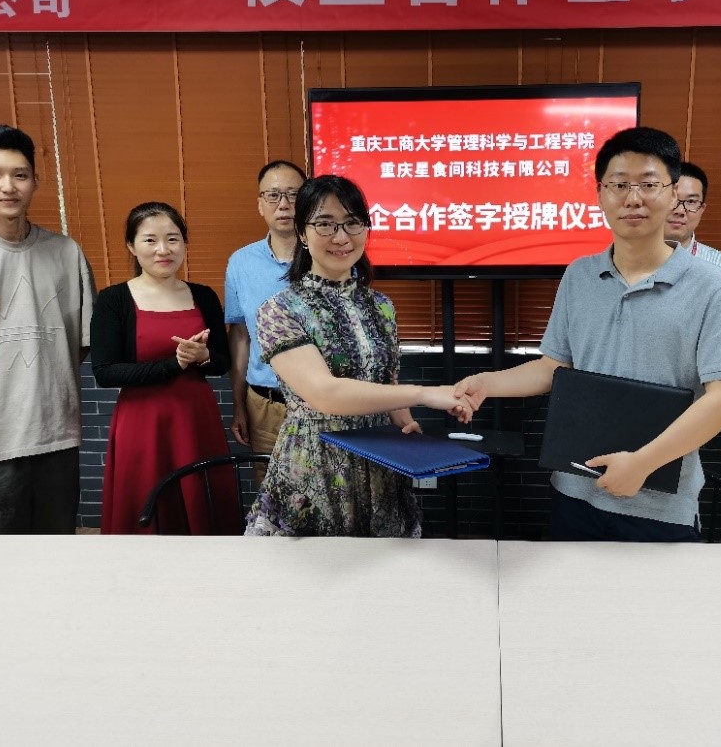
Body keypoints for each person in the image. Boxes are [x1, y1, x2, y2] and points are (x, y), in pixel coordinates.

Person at [453, 127, 721, 542]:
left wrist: (643, 463)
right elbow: (554, 367)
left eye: (649, 184)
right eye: (619, 184)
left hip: (660, 506)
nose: (633, 198)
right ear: (600, 194)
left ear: (672, 194)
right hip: (575, 492)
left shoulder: (711, 285)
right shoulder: (579, 275)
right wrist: (487, 383)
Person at [245, 175, 473, 537]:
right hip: (317, 462)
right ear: (302, 233)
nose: (341, 237)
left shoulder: (381, 306)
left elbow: (387, 381)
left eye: (352, 222)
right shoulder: (280, 310)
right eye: (325, 224)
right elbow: (324, 393)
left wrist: (406, 423)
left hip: (380, 459)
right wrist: (425, 393)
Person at [0, 124, 95, 535]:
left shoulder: (66, 253)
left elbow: (80, 344)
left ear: (35, 180)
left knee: (56, 552)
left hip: (55, 436)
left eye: (19, 175)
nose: (8, 186)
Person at [91, 202, 236, 534]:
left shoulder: (204, 296)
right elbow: (105, 372)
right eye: (150, 240)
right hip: (142, 420)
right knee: (145, 502)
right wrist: (175, 364)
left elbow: (222, 363)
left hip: (195, 418)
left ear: (184, 243)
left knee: (203, 500)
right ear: (131, 246)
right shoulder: (114, 299)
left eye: (172, 239)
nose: (163, 250)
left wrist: (203, 356)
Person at [224, 160, 307, 488]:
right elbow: (240, 336)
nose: (284, 204)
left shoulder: (331, 257)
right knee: (270, 491)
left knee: (328, 492)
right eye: (273, 195)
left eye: (293, 194)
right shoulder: (241, 262)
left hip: (324, 402)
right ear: (260, 204)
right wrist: (238, 405)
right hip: (265, 404)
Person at [664, 160, 721, 311]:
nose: (680, 210)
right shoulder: (628, 260)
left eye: (691, 201)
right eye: (671, 198)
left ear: (702, 209)